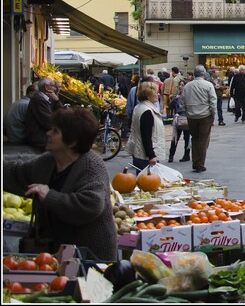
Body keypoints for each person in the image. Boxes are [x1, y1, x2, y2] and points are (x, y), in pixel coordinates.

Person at [3, 107, 117, 261]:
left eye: (55, 131)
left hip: (90, 256)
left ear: (72, 141)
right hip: (57, 254)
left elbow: (90, 205)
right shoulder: (47, 162)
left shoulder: (91, 166)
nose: (48, 133)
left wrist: (49, 196)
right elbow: (16, 173)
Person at [182, 65, 218, 173]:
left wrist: (186, 111)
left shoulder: (188, 86)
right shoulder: (208, 85)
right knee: (203, 141)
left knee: (195, 138)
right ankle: (200, 164)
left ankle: (195, 161)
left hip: (191, 116)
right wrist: (213, 114)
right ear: (203, 73)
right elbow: (212, 101)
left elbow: (182, 100)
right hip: (204, 115)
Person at [127, 82, 166, 172]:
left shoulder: (139, 107)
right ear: (148, 95)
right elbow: (146, 135)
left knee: (142, 179)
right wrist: (151, 155)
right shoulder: (147, 111)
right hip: (146, 155)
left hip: (140, 152)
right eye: (156, 93)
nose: (158, 94)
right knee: (148, 182)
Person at [25, 77, 65, 152]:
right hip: (40, 138)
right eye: (53, 86)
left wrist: (56, 101)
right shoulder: (39, 100)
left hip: (42, 136)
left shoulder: (46, 99)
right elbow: (49, 123)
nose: (55, 89)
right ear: (47, 87)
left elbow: (61, 113)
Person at [167, 81, 190, 163]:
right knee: (175, 138)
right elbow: (170, 106)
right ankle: (171, 155)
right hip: (178, 119)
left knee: (187, 138)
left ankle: (186, 155)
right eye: (179, 85)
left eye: (182, 85)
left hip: (186, 119)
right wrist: (175, 98)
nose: (180, 86)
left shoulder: (189, 96)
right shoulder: (176, 96)